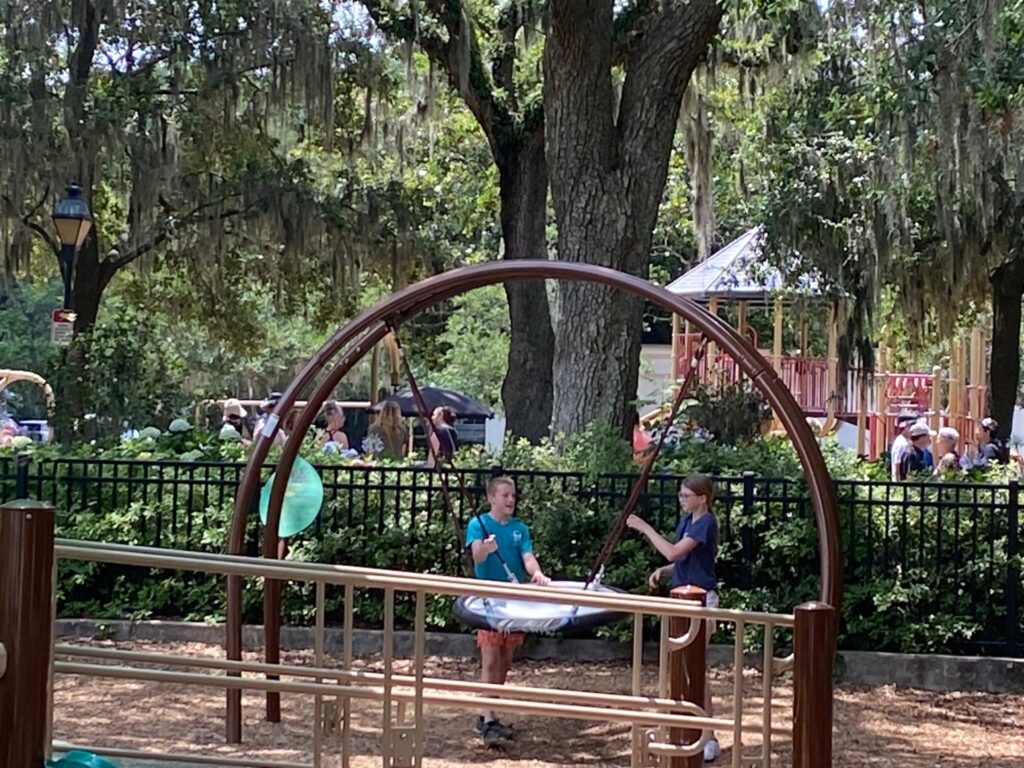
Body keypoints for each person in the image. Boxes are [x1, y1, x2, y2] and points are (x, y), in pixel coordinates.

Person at [626, 474, 721, 763]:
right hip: (681, 598)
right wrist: (664, 571)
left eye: (686, 496)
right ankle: (684, 728)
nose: (681, 500)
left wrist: (644, 527)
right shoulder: (688, 521)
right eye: (680, 495)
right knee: (679, 667)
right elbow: (681, 559)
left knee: (694, 667)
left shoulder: (705, 522)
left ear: (702, 498)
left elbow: (673, 550)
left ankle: (708, 735)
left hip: (701, 599)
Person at [464, 475, 550, 746]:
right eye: (504, 495)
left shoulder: (519, 528)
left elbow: (527, 557)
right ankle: (488, 720)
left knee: (505, 659)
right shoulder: (478, 524)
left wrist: (537, 574)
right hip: (489, 602)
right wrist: (486, 549)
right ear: (491, 498)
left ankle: (487, 712)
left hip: (513, 602)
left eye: (512, 495)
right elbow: (476, 555)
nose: (510, 499)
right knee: (489, 658)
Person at [889, 413, 917, 482]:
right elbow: (897, 465)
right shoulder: (901, 443)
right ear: (905, 427)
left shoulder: (906, 441)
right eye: (912, 425)